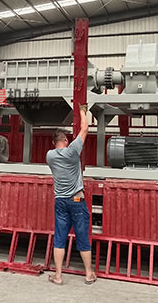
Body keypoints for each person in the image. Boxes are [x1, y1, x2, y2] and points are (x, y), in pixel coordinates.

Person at [45, 103, 97, 286]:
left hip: (60, 201)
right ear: (66, 140)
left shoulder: (50, 156)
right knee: (82, 237)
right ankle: (89, 274)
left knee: (59, 238)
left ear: (54, 143)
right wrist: (83, 111)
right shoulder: (73, 151)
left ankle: (58, 276)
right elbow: (85, 129)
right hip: (76, 199)